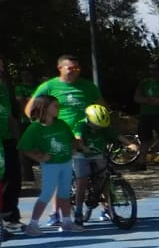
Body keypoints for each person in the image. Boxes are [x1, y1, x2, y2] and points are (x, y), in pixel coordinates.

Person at [28, 56, 104, 218]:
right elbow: (31, 109)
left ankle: (106, 207)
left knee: (98, 171)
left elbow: (101, 107)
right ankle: (56, 213)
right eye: (71, 68)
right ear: (60, 68)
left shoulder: (88, 86)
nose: (75, 71)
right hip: (58, 136)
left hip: (84, 134)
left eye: (77, 68)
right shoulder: (49, 86)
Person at [18, 95, 77, 234]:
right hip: (51, 166)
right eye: (55, 106)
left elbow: (72, 140)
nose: (58, 109)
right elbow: (24, 147)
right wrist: (40, 157)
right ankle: (33, 224)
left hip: (66, 163)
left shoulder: (61, 124)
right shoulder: (35, 128)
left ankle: (67, 221)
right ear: (44, 108)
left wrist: (75, 147)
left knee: (64, 193)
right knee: (47, 193)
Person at [0, 56, 23, 233]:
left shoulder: (2, 86)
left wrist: (18, 140)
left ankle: (9, 216)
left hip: (6, 139)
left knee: (13, 177)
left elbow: (8, 114)